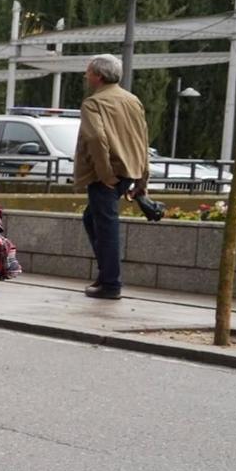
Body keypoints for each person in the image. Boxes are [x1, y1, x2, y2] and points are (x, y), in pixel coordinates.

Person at [72, 54, 150, 301]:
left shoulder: (93, 103)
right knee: (91, 218)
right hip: (128, 171)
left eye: (88, 72)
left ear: (98, 76)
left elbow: (96, 139)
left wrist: (104, 174)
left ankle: (110, 284)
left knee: (106, 227)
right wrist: (142, 180)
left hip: (106, 175)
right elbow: (143, 140)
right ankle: (106, 273)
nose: (86, 75)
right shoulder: (132, 100)